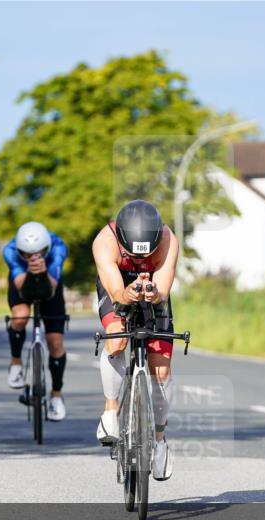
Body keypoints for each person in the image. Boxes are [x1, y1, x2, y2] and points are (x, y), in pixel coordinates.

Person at [92, 200, 179, 481]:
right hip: (117, 285)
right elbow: (116, 292)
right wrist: (126, 295)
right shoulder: (104, 242)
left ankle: (160, 440)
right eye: (133, 252)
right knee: (116, 340)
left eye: (147, 253)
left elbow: (163, 288)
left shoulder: (168, 240)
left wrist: (154, 294)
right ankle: (111, 410)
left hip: (153, 288)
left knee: (161, 371)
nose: (140, 257)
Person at [3, 221, 69, 421]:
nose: (33, 257)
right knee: (20, 317)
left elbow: (52, 285)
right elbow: (20, 285)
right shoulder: (10, 251)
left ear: (46, 248)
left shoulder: (58, 247)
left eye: (39, 253)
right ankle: (16, 362)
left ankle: (56, 395)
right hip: (23, 280)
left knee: (55, 342)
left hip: (50, 283)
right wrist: (31, 272)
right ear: (19, 251)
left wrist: (42, 272)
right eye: (26, 254)